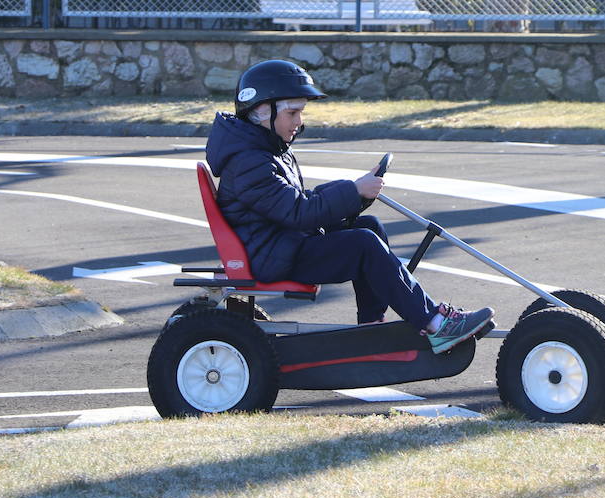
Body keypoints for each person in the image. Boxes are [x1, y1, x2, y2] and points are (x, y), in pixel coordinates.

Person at [204, 58, 494, 354]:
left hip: (281, 244)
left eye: (300, 112)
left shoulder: (264, 150)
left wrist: (356, 193)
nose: (299, 121)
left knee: (368, 227)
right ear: (262, 112)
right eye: (292, 112)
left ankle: (371, 325)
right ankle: (435, 324)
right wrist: (352, 191)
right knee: (363, 243)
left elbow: (293, 201)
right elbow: (298, 212)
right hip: (271, 256)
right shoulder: (249, 162)